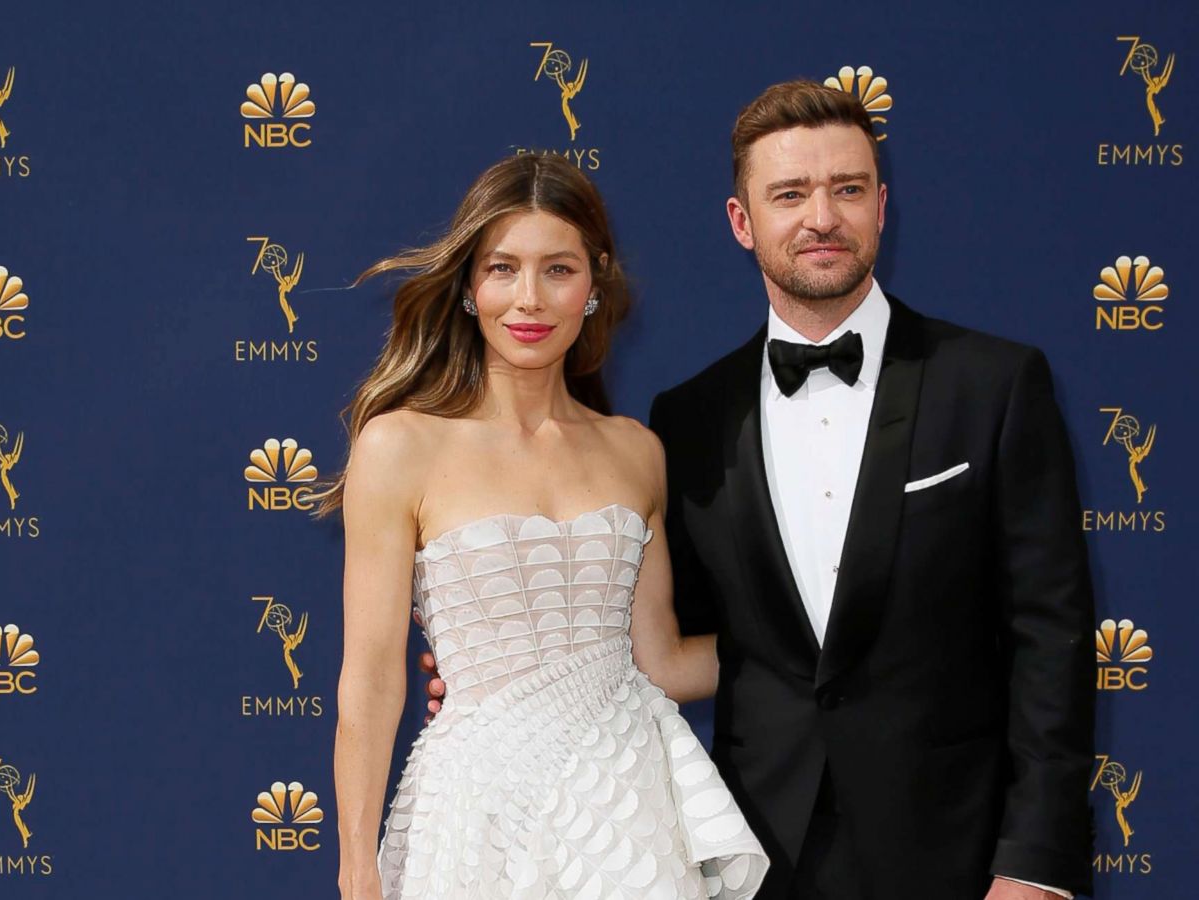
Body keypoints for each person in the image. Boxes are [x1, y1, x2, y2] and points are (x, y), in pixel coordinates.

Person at [427, 81, 1096, 899]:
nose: (821, 217)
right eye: (789, 194)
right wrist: (518, 672)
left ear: (882, 206)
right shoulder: (690, 419)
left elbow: (1052, 642)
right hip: (756, 858)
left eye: (846, 189)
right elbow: (667, 640)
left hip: (958, 854)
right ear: (743, 223)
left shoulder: (993, 385)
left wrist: (1035, 866)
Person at [330, 155, 768, 900]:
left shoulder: (636, 450)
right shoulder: (399, 446)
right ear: (470, 286)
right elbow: (371, 680)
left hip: (627, 812)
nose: (527, 299)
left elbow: (660, 662)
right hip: (478, 816)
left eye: (557, 270)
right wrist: (358, 866)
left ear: (594, 286)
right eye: (503, 269)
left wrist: (811, 642)